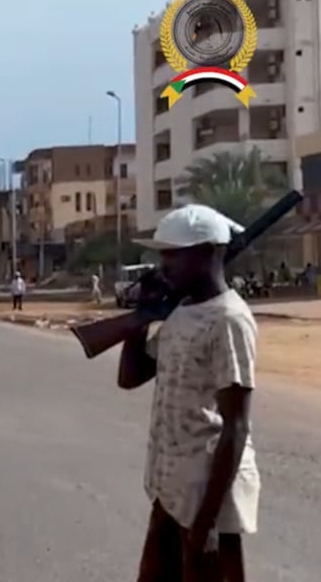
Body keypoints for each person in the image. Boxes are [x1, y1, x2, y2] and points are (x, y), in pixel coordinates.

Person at [121, 204, 258, 582]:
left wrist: (206, 525)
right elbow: (130, 377)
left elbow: (236, 426)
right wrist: (140, 317)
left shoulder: (229, 319)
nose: (163, 266)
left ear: (208, 254)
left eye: (172, 254)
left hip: (208, 495)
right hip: (172, 489)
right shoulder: (182, 313)